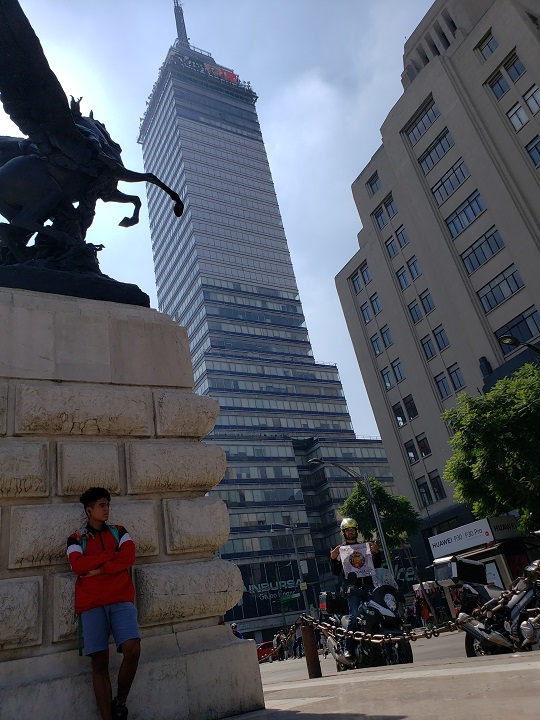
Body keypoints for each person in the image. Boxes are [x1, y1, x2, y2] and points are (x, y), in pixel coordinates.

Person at [67, 487, 141, 720]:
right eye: (101, 505)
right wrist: (111, 556)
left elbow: (129, 557)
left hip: (121, 600)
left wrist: (99, 568)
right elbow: (78, 566)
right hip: (91, 604)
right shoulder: (75, 538)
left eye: (108, 504)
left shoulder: (120, 531)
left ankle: (120, 703)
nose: (107, 509)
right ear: (89, 510)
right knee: (100, 661)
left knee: (133, 649)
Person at [330, 517, 381, 661]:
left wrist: (376, 552)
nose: (350, 532)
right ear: (344, 533)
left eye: (352, 530)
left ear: (356, 531)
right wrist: (333, 558)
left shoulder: (364, 547)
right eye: (347, 530)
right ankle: (348, 649)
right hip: (352, 589)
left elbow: (376, 565)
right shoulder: (341, 550)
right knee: (353, 616)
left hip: (368, 587)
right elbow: (335, 571)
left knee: (379, 610)